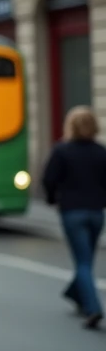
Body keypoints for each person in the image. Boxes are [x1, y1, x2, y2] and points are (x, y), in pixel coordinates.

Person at [42, 106, 106, 330]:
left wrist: (52, 199)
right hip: (96, 213)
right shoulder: (101, 152)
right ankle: (75, 294)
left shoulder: (62, 150)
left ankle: (92, 307)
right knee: (86, 258)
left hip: (72, 212)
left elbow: (49, 179)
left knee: (83, 262)